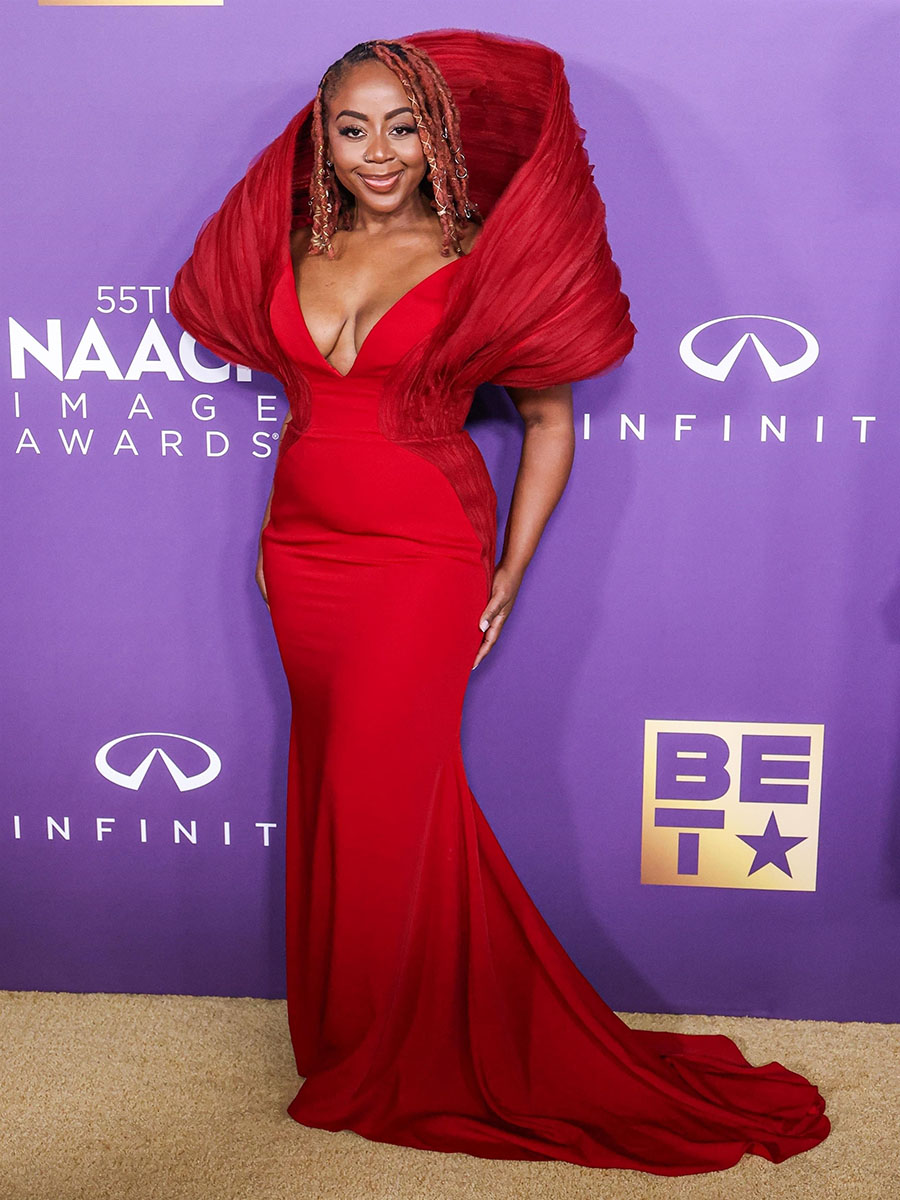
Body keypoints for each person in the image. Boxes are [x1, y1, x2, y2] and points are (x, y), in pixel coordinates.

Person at [170, 27, 830, 1175]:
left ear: (439, 136)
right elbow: (307, 405)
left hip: (425, 551)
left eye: (404, 126)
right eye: (353, 128)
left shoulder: (479, 256)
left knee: (391, 794)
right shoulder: (290, 248)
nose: (380, 151)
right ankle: (349, 1033)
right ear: (320, 142)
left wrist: (509, 571)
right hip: (303, 554)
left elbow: (549, 423)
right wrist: (278, 530)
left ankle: (405, 1047)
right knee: (333, 787)